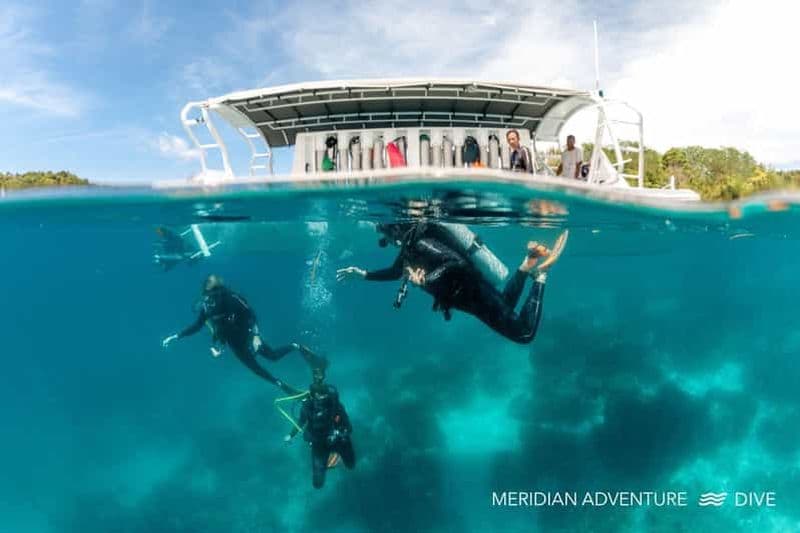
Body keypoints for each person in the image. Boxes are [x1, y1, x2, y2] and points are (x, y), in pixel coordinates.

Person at [337, 223, 567, 344]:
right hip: (468, 296)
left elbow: (457, 263)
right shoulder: (410, 249)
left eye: (386, 236)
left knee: (524, 333)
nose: (387, 241)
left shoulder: (421, 244)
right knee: (506, 303)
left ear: (394, 230)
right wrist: (363, 275)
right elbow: (394, 273)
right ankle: (529, 262)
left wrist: (426, 281)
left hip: (471, 292)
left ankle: (540, 274)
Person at [162, 275, 325, 393]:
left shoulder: (231, 299)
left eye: (214, 295)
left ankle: (296, 346)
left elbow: (251, 315)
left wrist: (256, 336)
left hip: (248, 335)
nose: (211, 299)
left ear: (220, 292)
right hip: (233, 343)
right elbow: (197, 325)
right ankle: (280, 385)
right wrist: (176, 336)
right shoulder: (206, 307)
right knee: (255, 368)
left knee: (272, 356)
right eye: (208, 295)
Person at [284, 367, 355, 489]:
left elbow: (348, 426)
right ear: (313, 396)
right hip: (318, 442)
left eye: (324, 395)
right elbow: (301, 422)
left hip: (337, 438)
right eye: (319, 396)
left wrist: (339, 432)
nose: (322, 399)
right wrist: (290, 435)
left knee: (351, 465)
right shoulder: (308, 406)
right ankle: (329, 464)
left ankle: (340, 459)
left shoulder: (335, 404)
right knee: (317, 483)